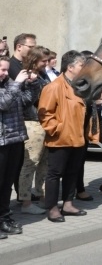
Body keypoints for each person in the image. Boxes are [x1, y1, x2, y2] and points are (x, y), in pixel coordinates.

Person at [37, 50, 88, 222]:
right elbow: (45, 113)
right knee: (54, 174)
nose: (84, 68)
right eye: (82, 65)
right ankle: (52, 208)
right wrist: (57, 128)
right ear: (70, 67)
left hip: (77, 138)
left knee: (72, 172)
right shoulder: (54, 87)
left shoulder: (80, 85)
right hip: (60, 139)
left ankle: (67, 204)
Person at [0, 56, 34, 237]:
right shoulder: (10, 86)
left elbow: (27, 102)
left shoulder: (8, 85)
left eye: (6, 70)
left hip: (14, 140)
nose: (5, 74)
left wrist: (30, 84)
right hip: (1, 143)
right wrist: (17, 83)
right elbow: (3, 104)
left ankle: (4, 218)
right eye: (2, 70)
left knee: (7, 184)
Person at [17, 45, 49, 215]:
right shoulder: (26, 76)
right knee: (31, 163)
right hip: (31, 124)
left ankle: (41, 196)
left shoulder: (43, 75)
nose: (46, 63)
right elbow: (25, 102)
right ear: (34, 60)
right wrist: (34, 84)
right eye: (43, 61)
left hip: (45, 124)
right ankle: (26, 202)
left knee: (45, 163)